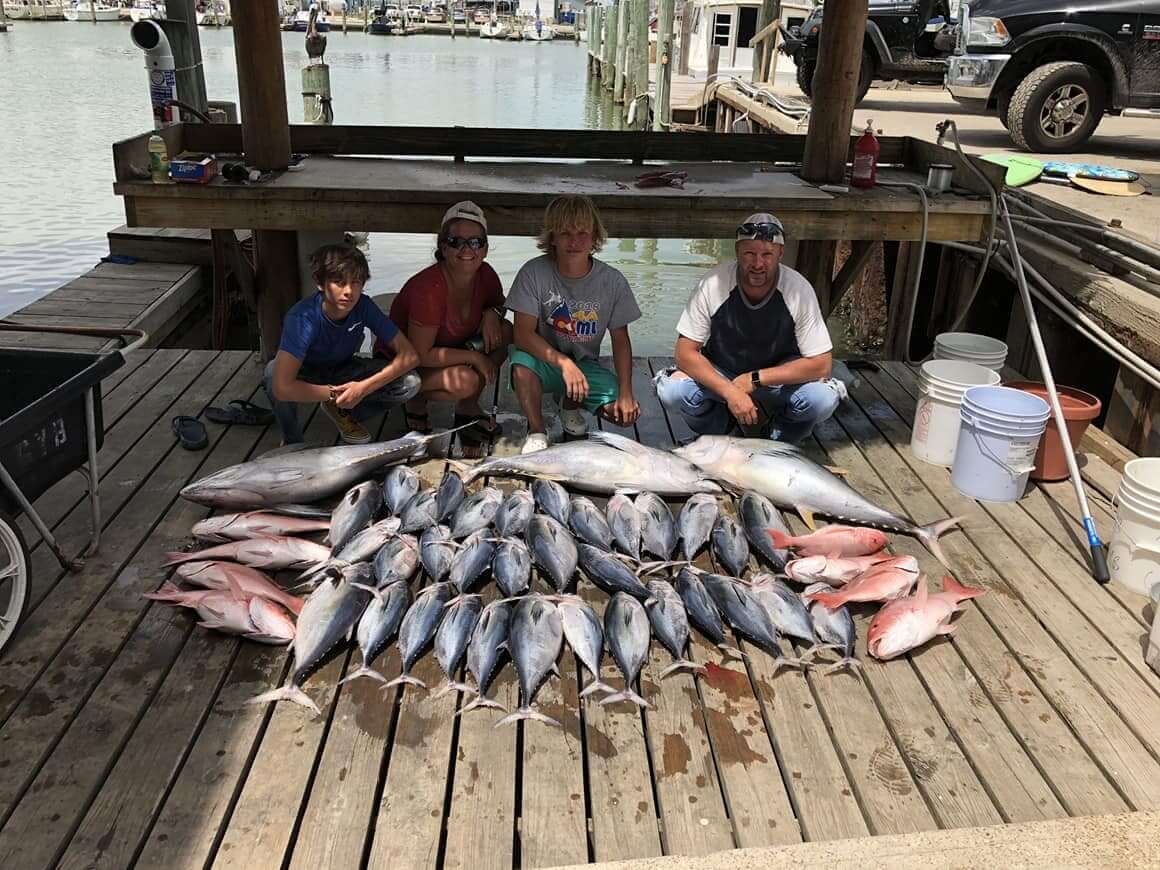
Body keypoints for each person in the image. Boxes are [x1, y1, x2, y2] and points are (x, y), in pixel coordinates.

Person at [655, 213, 841, 444]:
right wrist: (730, 391)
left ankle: (780, 435)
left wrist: (754, 379)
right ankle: (721, 430)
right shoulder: (712, 284)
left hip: (778, 379)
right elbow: (684, 353)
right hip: (724, 373)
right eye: (749, 254)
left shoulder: (798, 290)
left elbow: (822, 364)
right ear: (737, 251)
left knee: (822, 399)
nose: (757, 264)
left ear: (780, 254)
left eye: (767, 255)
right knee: (671, 392)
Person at [506, 195, 642, 454]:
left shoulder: (612, 281)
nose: (574, 241)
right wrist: (563, 363)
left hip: (585, 364)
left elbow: (621, 340)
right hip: (542, 362)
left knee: (623, 414)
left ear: (594, 237)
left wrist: (626, 391)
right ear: (552, 237)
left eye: (582, 232)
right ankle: (536, 430)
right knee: (521, 364)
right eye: (565, 233)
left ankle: (569, 405)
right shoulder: (533, 273)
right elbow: (522, 334)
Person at [374, 201, 511, 450]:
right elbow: (420, 354)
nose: (466, 249)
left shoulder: (486, 274)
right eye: (456, 241)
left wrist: (492, 312)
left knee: (505, 331)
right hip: (403, 364)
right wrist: (475, 358)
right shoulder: (428, 288)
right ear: (443, 247)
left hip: (448, 348)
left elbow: (500, 305)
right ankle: (412, 399)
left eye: (475, 241)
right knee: (465, 379)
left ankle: (467, 407)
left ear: (485, 248)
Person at [264, 243, 420, 445]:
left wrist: (363, 388)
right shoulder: (302, 318)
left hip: (343, 368)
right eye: (339, 282)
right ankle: (292, 440)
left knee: (411, 382)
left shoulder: (364, 305)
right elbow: (282, 387)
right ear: (320, 283)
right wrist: (333, 393)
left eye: (356, 282)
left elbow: (410, 356)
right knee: (272, 373)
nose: (348, 291)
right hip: (306, 371)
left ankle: (345, 411)